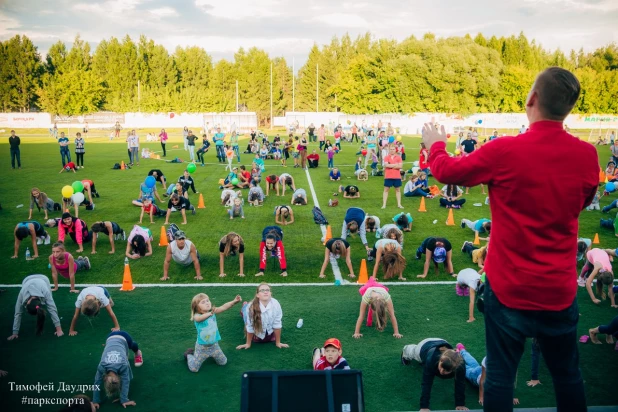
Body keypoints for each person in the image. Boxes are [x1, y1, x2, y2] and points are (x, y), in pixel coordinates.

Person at [422, 67, 597, 411]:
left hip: (510, 290)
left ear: (532, 99)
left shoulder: (504, 151)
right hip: (558, 291)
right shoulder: (587, 155)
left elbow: (447, 172)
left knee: (501, 377)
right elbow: (582, 199)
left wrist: (435, 145)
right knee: (568, 377)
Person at [401, 338, 466, 411]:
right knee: (413, 352)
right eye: (441, 366)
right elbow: (426, 383)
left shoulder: (460, 366)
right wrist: (424, 407)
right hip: (424, 346)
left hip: (443, 342)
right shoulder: (431, 359)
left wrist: (460, 404)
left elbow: (460, 383)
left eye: (446, 370)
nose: (441, 371)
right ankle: (407, 349)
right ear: (440, 359)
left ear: (454, 369)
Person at [185, 293, 242, 372]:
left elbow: (224, 307)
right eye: (203, 302)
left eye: (207, 300)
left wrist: (234, 301)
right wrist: (210, 313)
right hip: (202, 348)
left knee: (223, 362)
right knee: (194, 369)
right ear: (196, 307)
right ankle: (189, 354)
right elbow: (199, 319)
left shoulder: (212, 312)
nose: (207, 303)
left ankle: (212, 354)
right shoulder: (196, 316)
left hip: (214, 346)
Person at [92, 331, 143, 409]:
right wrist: (95, 401)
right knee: (123, 354)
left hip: (125, 337)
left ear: (105, 378)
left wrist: (124, 399)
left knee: (132, 345)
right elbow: (96, 383)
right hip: (109, 338)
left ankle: (137, 353)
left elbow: (126, 382)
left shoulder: (123, 366)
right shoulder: (101, 366)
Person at [8, 274, 63, 340]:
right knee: (48, 301)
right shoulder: (22, 293)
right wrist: (15, 333)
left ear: (28, 302)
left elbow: (52, 308)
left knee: (49, 302)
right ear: (28, 302)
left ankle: (41, 304)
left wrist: (59, 329)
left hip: (44, 280)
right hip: (27, 280)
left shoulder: (45, 291)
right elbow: (18, 313)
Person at [237, 283, 288, 349]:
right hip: (257, 335)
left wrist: (278, 342)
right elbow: (249, 326)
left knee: (271, 338)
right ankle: (244, 306)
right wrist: (248, 344)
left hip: (270, 335)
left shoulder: (276, 304)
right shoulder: (251, 307)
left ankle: (245, 306)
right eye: (262, 290)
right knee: (245, 316)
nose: (265, 292)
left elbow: (277, 324)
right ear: (257, 295)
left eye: (267, 290)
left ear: (270, 293)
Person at [382, 145, 404, 209]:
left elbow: (400, 166)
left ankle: (399, 204)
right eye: (391, 149)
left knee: (398, 190)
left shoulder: (399, 157)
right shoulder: (386, 157)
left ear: (395, 150)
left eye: (393, 149)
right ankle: (384, 204)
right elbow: (386, 165)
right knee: (386, 190)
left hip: (397, 176)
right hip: (388, 176)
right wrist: (395, 165)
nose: (392, 150)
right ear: (389, 150)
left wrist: (390, 166)